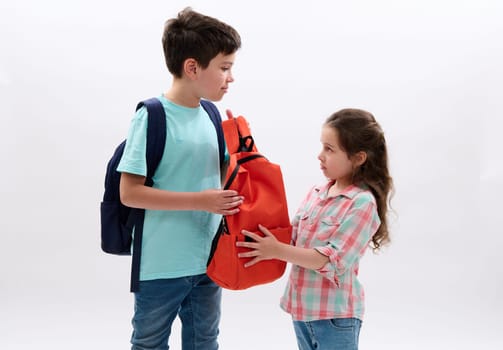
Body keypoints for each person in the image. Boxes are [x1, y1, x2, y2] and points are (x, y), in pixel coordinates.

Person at [117, 7, 243, 350]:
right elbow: (130, 193)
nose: (230, 78)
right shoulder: (152, 116)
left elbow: (221, 178)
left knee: (205, 343)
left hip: (208, 259)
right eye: (225, 67)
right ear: (192, 67)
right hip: (160, 265)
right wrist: (201, 200)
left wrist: (242, 152)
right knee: (149, 343)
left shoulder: (211, 114)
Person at [237, 108, 394, 350]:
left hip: (334, 317)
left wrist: (276, 250)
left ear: (358, 158)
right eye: (322, 146)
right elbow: (293, 237)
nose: (320, 155)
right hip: (302, 311)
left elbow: (330, 260)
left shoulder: (361, 203)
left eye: (330, 149)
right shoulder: (317, 193)